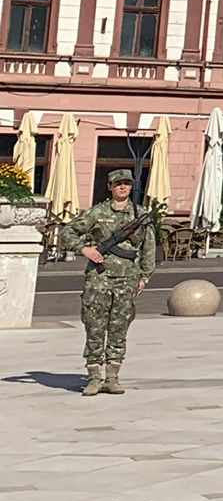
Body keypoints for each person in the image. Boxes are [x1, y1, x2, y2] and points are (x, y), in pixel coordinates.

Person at [62, 167, 156, 396]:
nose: (123, 187)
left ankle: (112, 377)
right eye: (118, 184)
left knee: (119, 328)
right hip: (99, 278)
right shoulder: (96, 212)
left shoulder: (140, 215)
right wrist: (84, 249)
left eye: (127, 183)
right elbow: (67, 232)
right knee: (94, 326)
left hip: (127, 278)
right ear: (110, 187)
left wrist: (144, 276)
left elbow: (148, 248)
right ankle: (94, 377)